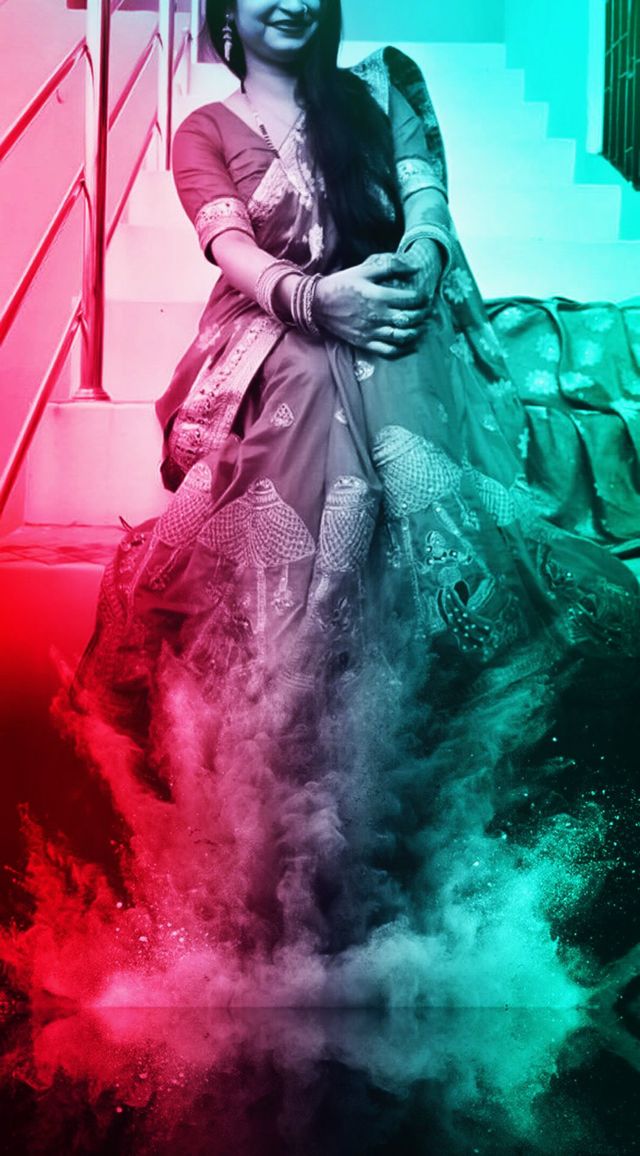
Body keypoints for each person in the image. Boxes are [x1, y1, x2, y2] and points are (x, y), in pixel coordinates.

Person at [70, 0, 639, 956]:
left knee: (395, 394)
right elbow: (233, 251)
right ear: (225, 12)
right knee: (311, 394)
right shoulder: (204, 129)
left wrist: (413, 269)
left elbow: (427, 208)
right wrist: (311, 297)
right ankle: (290, 783)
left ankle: (421, 795)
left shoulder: (381, 91)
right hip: (270, 326)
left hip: (396, 311)